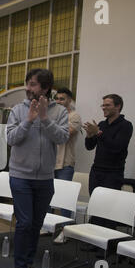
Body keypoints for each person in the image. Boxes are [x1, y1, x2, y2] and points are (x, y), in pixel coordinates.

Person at [6, 69, 69, 268]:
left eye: (33, 84)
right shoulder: (18, 109)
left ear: (45, 88)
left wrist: (44, 118)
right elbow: (10, 138)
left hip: (45, 178)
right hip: (20, 176)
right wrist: (29, 121)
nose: (28, 88)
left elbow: (62, 137)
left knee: (35, 224)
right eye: (28, 83)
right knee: (24, 223)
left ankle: (28, 264)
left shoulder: (60, 111)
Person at [83, 94, 133, 230]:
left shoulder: (126, 125)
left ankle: (106, 244)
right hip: (97, 170)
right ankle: (94, 239)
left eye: (107, 105)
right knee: (96, 206)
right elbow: (89, 147)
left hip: (113, 172)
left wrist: (98, 133)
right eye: (103, 105)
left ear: (118, 106)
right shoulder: (102, 124)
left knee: (109, 209)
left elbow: (116, 147)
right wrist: (89, 135)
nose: (103, 108)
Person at [53, 88, 82, 243]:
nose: (58, 101)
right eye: (57, 99)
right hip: (49, 163)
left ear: (70, 100)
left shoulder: (74, 116)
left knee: (64, 199)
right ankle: (47, 226)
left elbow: (64, 134)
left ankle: (65, 230)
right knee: (47, 196)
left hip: (65, 163)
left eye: (62, 99)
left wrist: (49, 126)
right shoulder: (52, 115)